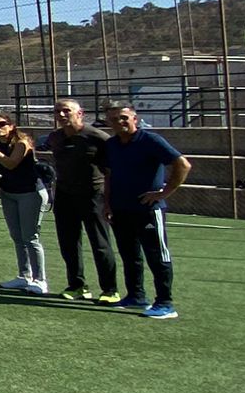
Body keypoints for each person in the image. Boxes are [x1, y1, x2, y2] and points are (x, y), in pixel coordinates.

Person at [99, 104, 190, 320]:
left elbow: (182, 164)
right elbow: (109, 176)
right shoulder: (111, 145)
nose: (119, 122)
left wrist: (164, 192)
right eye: (113, 119)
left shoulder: (150, 140)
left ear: (134, 119)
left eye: (123, 118)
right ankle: (136, 296)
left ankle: (165, 303)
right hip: (121, 209)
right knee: (130, 255)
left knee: (157, 255)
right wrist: (108, 203)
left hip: (148, 210)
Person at [45, 99, 119, 303]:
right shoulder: (55, 137)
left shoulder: (98, 137)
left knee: (100, 243)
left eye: (66, 111)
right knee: (68, 243)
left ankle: (110, 289)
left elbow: (111, 171)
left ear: (80, 113)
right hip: (65, 195)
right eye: (57, 111)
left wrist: (109, 200)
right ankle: (77, 285)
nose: (61, 115)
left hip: (93, 196)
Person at [0, 114, 48, 295]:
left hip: (30, 193)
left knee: (30, 237)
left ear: (11, 126)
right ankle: (24, 275)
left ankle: (40, 280)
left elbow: (11, 164)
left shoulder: (21, 143)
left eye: (1, 124)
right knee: (17, 236)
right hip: (9, 193)